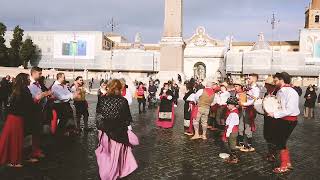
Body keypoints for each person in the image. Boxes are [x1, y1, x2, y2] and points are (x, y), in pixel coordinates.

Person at [95, 79, 137, 180]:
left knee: (106, 155)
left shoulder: (102, 99)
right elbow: (127, 119)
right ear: (119, 88)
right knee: (116, 156)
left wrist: (102, 128)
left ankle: (106, 174)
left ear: (108, 87)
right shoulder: (123, 101)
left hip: (105, 132)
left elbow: (98, 116)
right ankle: (114, 174)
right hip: (119, 133)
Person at [268, 72, 300, 174]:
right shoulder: (280, 91)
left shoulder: (290, 92)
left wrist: (275, 114)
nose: (274, 82)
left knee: (280, 143)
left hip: (289, 120)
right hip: (282, 120)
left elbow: (290, 109)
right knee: (281, 142)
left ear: (282, 80)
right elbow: (277, 105)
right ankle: (287, 163)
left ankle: (284, 165)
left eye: (276, 80)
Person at [0, 73, 34, 167]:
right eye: (28, 79)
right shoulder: (23, 91)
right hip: (17, 118)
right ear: (23, 80)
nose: (30, 80)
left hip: (13, 118)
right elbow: (28, 105)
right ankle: (13, 161)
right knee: (15, 140)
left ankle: (12, 159)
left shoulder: (17, 90)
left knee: (11, 139)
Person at [28, 67, 51, 161]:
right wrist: (43, 95)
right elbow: (33, 98)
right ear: (33, 73)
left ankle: (36, 149)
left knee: (37, 131)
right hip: (32, 110)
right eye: (39, 73)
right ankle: (32, 152)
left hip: (39, 109)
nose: (41, 75)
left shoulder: (38, 84)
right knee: (33, 131)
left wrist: (45, 96)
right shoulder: (29, 84)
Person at [239, 74, 260, 152]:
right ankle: (242, 143)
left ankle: (248, 146)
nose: (247, 79)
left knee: (248, 126)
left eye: (249, 78)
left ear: (254, 79)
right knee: (242, 124)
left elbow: (254, 100)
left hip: (250, 109)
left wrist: (244, 104)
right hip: (245, 108)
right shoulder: (248, 87)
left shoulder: (256, 89)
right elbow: (246, 97)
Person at [263, 76, 277, 162]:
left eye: (266, 85)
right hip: (267, 118)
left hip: (274, 119)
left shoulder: (277, 93)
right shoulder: (266, 94)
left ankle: (273, 154)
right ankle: (269, 152)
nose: (265, 87)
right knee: (267, 135)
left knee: (273, 136)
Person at [222, 96, 240, 164]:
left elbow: (231, 124)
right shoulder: (233, 111)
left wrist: (228, 132)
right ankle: (232, 157)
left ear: (233, 105)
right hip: (232, 130)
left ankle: (235, 158)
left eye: (228, 105)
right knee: (230, 143)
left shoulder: (233, 113)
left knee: (232, 145)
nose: (227, 106)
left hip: (232, 131)